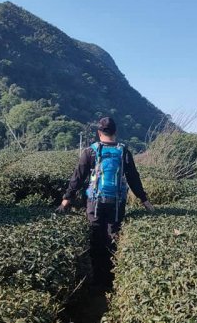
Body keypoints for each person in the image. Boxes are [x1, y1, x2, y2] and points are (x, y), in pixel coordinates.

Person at [56, 117, 154, 289]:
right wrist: (144, 200)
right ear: (115, 132)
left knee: (96, 238)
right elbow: (133, 178)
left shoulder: (90, 151)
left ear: (99, 132)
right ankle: (111, 282)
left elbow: (77, 177)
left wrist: (66, 199)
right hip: (117, 202)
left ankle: (96, 282)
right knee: (112, 238)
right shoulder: (123, 151)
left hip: (95, 202)